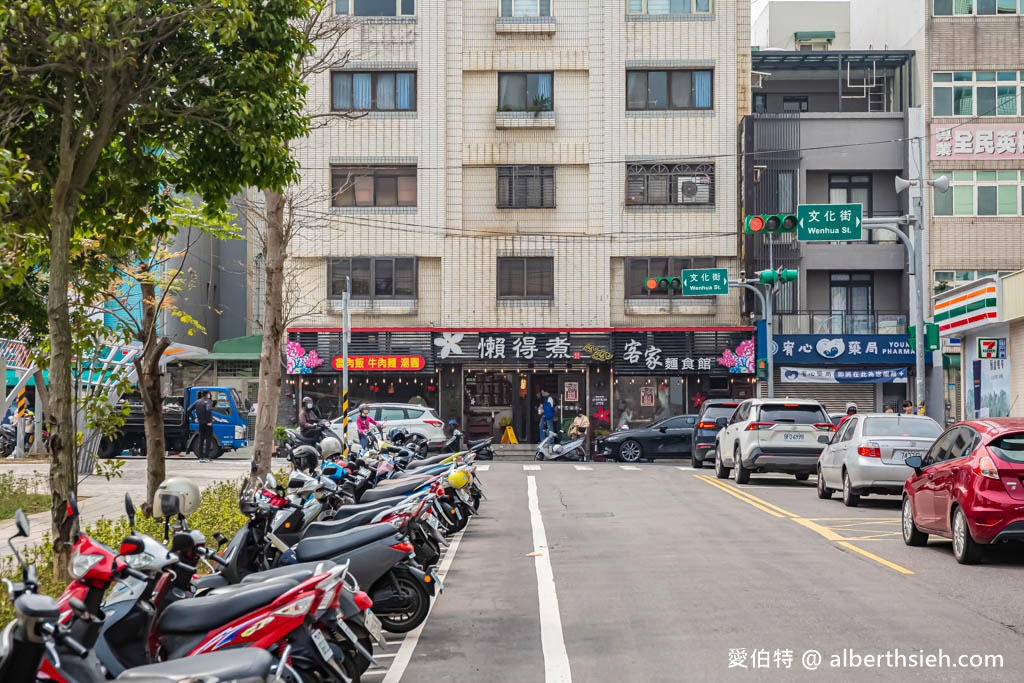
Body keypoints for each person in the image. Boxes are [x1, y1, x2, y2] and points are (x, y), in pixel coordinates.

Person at [187, 390, 214, 462]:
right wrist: (209, 421)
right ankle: (207, 457)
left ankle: (200, 457)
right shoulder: (209, 401)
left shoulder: (197, 402)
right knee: (208, 439)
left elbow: (188, 410)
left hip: (200, 423)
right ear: (208, 394)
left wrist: (194, 419)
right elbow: (208, 410)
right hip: (207, 423)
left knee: (201, 439)